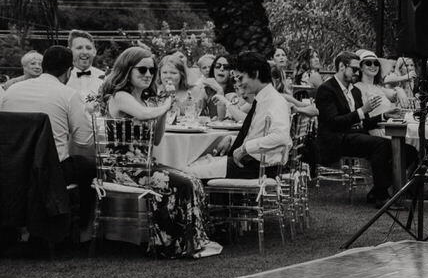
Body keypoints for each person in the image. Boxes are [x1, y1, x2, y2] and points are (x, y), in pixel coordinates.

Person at [97, 47, 221, 259]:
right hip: (122, 168)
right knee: (183, 183)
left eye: (152, 70)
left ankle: (192, 240)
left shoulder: (144, 99)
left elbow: (156, 138)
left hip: (144, 165)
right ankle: (172, 243)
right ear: (128, 70)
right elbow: (145, 115)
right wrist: (165, 103)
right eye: (142, 70)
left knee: (192, 178)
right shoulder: (120, 96)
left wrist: (166, 109)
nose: (148, 75)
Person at [1, 44, 98, 236]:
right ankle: (80, 230)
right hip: (51, 170)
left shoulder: (12, 91)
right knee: (89, 167)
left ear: (43, 65)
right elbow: (84, 141)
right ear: (69, 70)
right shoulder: (68, 95)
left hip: (10, 167)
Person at [189, 53, 291, 182]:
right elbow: (257, 133)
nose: (240, 84)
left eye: (241, 78)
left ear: (256, 74)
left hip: (256, 168)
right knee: (194, 163)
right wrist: (233, 139)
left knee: (188, 174)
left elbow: (281, 137)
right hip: (252, 163)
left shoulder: (274, 101)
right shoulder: (264, 98)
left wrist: (244, 149)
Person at [315, 49, 399, 203]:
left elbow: (363, 122)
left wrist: (383, 116)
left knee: (402, 149)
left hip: (355, 136)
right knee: (380, 145)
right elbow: (334, 122)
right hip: (336, 140)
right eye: (354, 69)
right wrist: (362, 111)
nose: (356, 72)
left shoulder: (354, 91)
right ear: (341, 67)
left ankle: (384, 190)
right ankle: (381, 195)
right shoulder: (326, 90)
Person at [65, 30, 104, 100]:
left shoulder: (105, 79)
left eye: (88, 48)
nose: (84, 52)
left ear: (94, 52)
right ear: (69, 51)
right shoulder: (61, 78)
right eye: (79, 48)